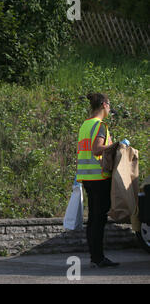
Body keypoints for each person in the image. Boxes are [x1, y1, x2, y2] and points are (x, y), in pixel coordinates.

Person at [76, 93, 120, 268]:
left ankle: (95, 257)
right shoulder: (100, 125)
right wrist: (116, 145)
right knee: (98, 219)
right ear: (103, 104)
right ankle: (98, 258)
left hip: (87, 176)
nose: (109, 109)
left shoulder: (85, 125)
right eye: (109, 105)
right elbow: (96, 150)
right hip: (99, 178)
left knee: (93, 218)